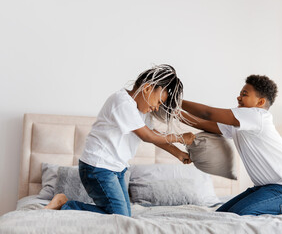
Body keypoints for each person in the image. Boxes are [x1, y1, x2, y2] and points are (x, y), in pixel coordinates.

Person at [45, 64, 195, 216]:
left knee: (123, 215)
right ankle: (66, 205)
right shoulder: (122, 102)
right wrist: (180, 137)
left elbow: (154, 135)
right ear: (148, 88)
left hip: (116, 169)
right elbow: (147, 136)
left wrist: (178, 153)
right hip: (98, 167)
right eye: (158, 102)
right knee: (120, 216)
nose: (156, 108)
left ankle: (66, 204)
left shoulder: (140, 110)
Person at [180, 74, 282, 216]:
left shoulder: (257, 116)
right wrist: (173, 112)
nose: (239, 97)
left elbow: (207, 113)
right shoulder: (241, 122)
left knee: (239, 214)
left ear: (260, 102)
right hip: (266, 188)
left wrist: (175, 100)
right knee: (222, 214)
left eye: (244, 94)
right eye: (240, 93)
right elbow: (203, 123)